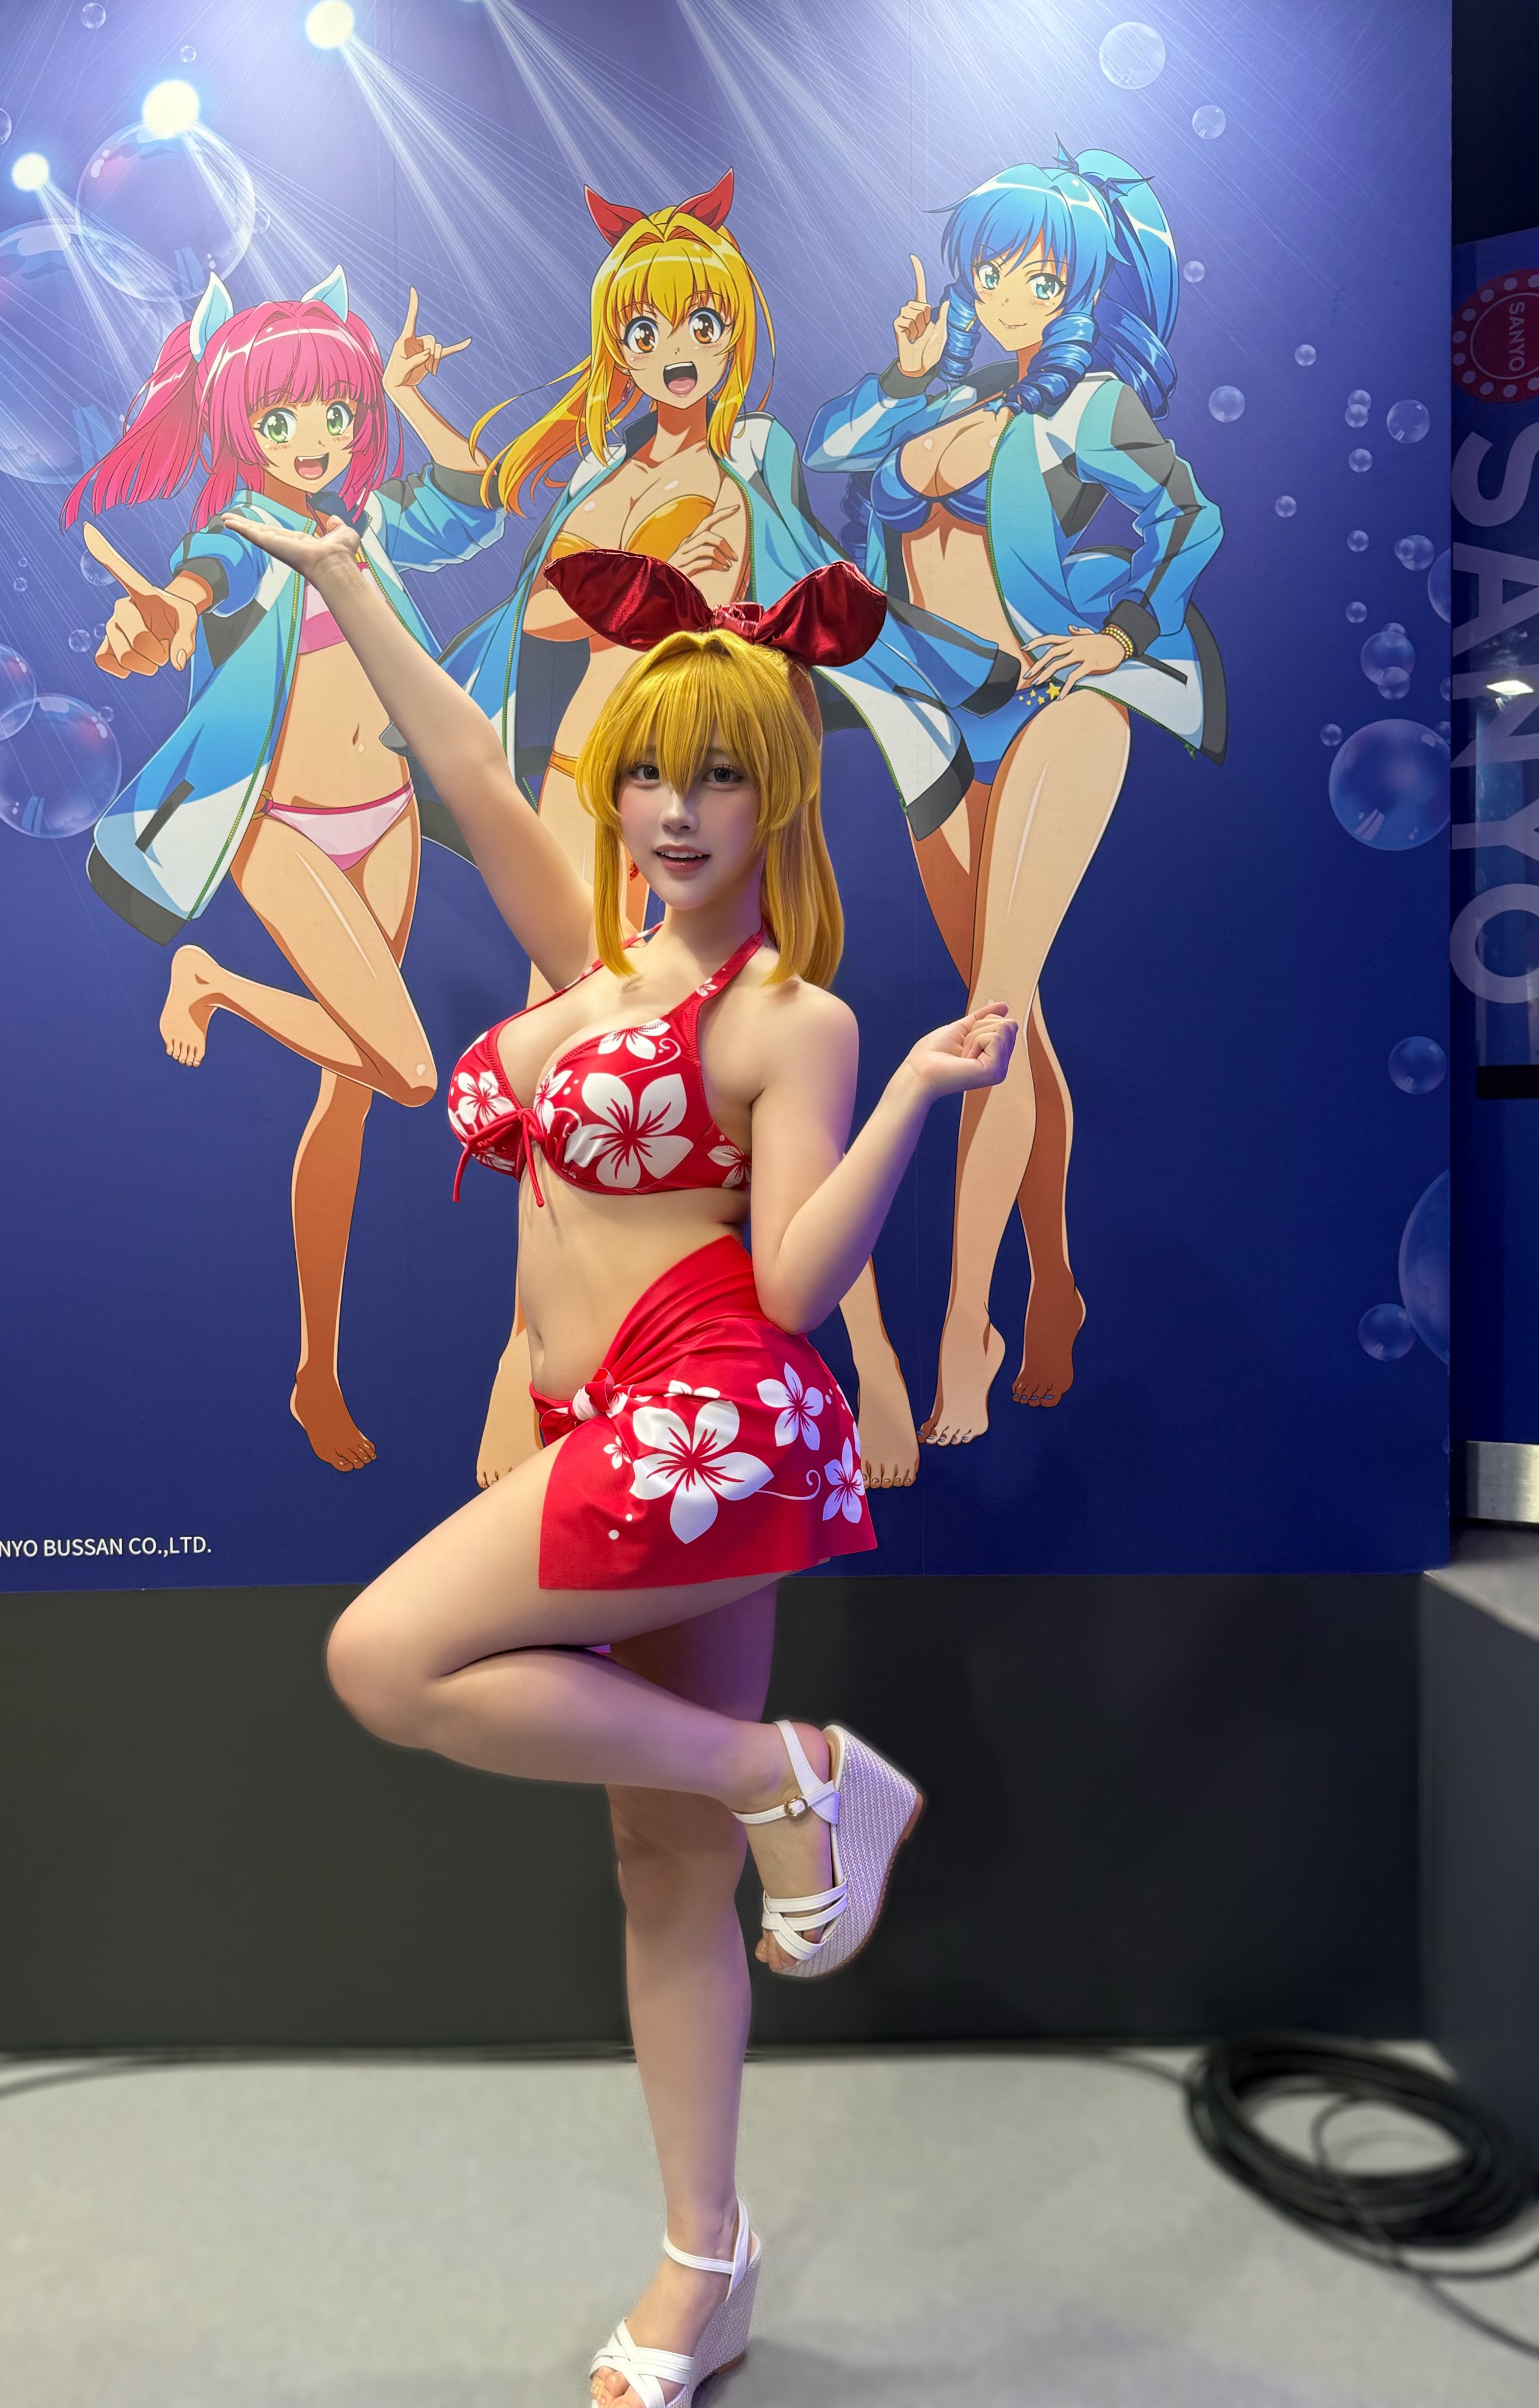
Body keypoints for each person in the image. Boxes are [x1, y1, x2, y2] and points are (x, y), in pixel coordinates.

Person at [226, 501, 1017, 2406]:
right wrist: (348, 585)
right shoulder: (582, 960)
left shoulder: (794, 1018)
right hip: (604, 1424)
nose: (673, 809)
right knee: (662, 1860)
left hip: (709, 1412)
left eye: (718, 777)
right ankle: (705, 2260)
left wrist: (909, 1097)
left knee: (385, 1658)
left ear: (779, 798)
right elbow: (465, 762)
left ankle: (793, 1770)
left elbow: (797, 1283)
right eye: (650, 770)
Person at [446, 170, 1014, 1496]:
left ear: (735, 333)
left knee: (757, 1105)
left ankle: (870, 1359)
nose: (674, 352)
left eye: (699, 325)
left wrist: (907, 382)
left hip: (699, 771)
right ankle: (528, 1377)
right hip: (586, 776)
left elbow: (788, 593)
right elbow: (543, 612)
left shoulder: (754, 458)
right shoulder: (602, 471)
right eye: (646, 330)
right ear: (617, 344)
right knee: (573, 1114)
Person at [806, 151, 1223, 1444]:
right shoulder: (935, 394)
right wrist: (907, 371)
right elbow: (830, 452)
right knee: (1015, 1018)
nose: (1010, 294)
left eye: (1040, 277)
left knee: (986, 1015)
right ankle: (1056, 1282)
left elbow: (1191, 521)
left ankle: (964, 1329)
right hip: (942, 721)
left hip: (1059, 708)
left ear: (1080, 289)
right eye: (996, 270)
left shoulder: (1090, 406)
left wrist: (1121, 633)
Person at [65, 267, 501, 1472]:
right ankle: (210, 979)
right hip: (283, 829)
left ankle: (316, 1371)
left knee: (346, 1094)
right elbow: (185, 592)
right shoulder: (236, 534)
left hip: (389, 817)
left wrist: (408, 398)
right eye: (280, 417)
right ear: (237, 427)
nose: (314, 438)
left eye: (337, 414)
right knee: (408, 1069)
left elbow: (477, 502)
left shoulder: (370, 527)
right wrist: (155, 621)